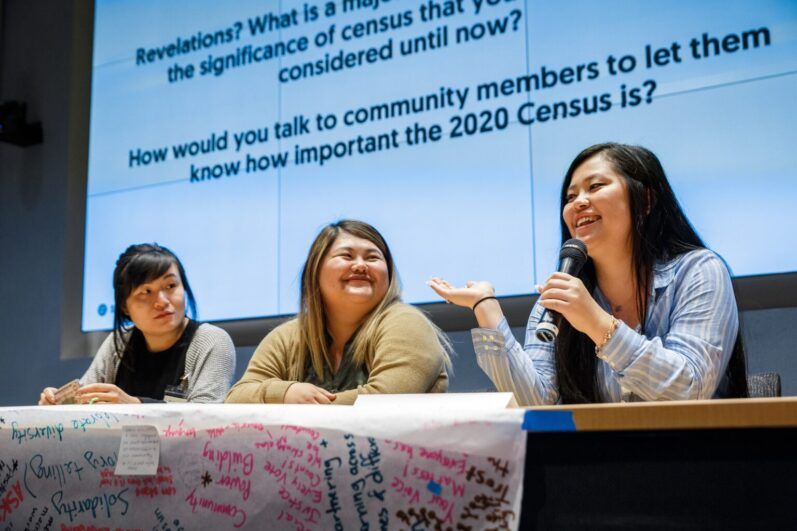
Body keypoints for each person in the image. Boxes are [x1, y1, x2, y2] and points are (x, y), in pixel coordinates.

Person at [429, 143, 747, 405]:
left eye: (595, 187)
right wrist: (485, 306)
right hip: (598, 464)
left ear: (645, 200)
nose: (579, 202)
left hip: (696, 462)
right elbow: (536, 404)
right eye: (570, 197)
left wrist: (595, 321)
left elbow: (688, 391)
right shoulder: (561, 300)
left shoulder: (699, 271)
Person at [226, 220, 450, 405]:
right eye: (347, 256)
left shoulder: (406, 322)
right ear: (315, 271)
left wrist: (298, 406)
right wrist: (285, 392)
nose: (361, 265)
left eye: (373, 258)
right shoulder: (288, 336)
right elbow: (237, 397)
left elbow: (384, 403)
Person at [39, 244, 235, 404]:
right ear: (124, 306)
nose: (162, 301)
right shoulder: (120, 342)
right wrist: (60, 402)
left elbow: (205, 419)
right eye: (145, 292)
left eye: (171, 286)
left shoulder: (211, 340)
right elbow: (86, 397)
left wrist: (135, 406)